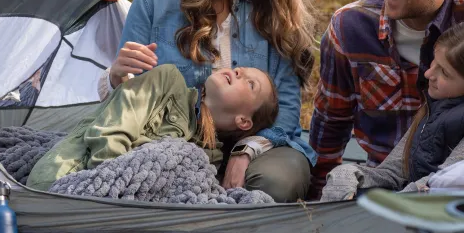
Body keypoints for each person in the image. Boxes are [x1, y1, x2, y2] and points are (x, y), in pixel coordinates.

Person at [97, 0, 317, 202]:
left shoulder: (272, 10)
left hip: (261, 145)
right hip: (172, 141)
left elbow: (287, 106)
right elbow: (129, 97)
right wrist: (116, 75)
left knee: (276, 180)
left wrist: (245, 151)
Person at [309, 0, 464, 195]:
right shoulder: (351, 27)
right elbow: (331, 123)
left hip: (458, 188)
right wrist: (321, 203)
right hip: (378, 178)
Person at [27, 64, 279, 192]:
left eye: (250, 83)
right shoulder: (168, 81)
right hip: (63, 181)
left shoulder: (209, 159)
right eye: (239, 69)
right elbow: (110, 132)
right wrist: (114, 192)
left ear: (244, 121)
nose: (237, 71)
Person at [320, 23, 464, 201]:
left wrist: (392, 205)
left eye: (445, 73)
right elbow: (395, 171)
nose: (429, 73)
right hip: (407, 201)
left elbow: (441, 186)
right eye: (434, 62)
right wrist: (350, 174)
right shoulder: (434, 106)